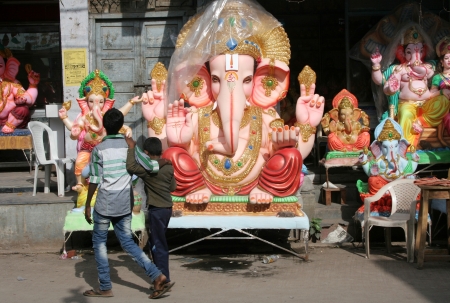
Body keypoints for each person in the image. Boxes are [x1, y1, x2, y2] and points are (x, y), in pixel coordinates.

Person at [83, 108, 174, 299]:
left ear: (104, 127)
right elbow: (150, 166)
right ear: (121, 125)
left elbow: (94, 179)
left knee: (99, 243)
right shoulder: (130, 146)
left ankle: (105, 287)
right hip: (124, 202)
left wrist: (87, 205)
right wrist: (164, 162)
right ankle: (156, 275)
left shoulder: (99, 149)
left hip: (105, 203)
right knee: (127, 242)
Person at [125, 136, 176, 290]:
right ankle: (160, 275)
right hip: (167, 208)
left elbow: (131, 167)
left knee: (158, 244)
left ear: (146, 153)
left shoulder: (147, 172)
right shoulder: (168, 167)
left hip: (156, 210)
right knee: (158, 242)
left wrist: (132, 148)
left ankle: (162, 278)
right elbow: (173, 187)